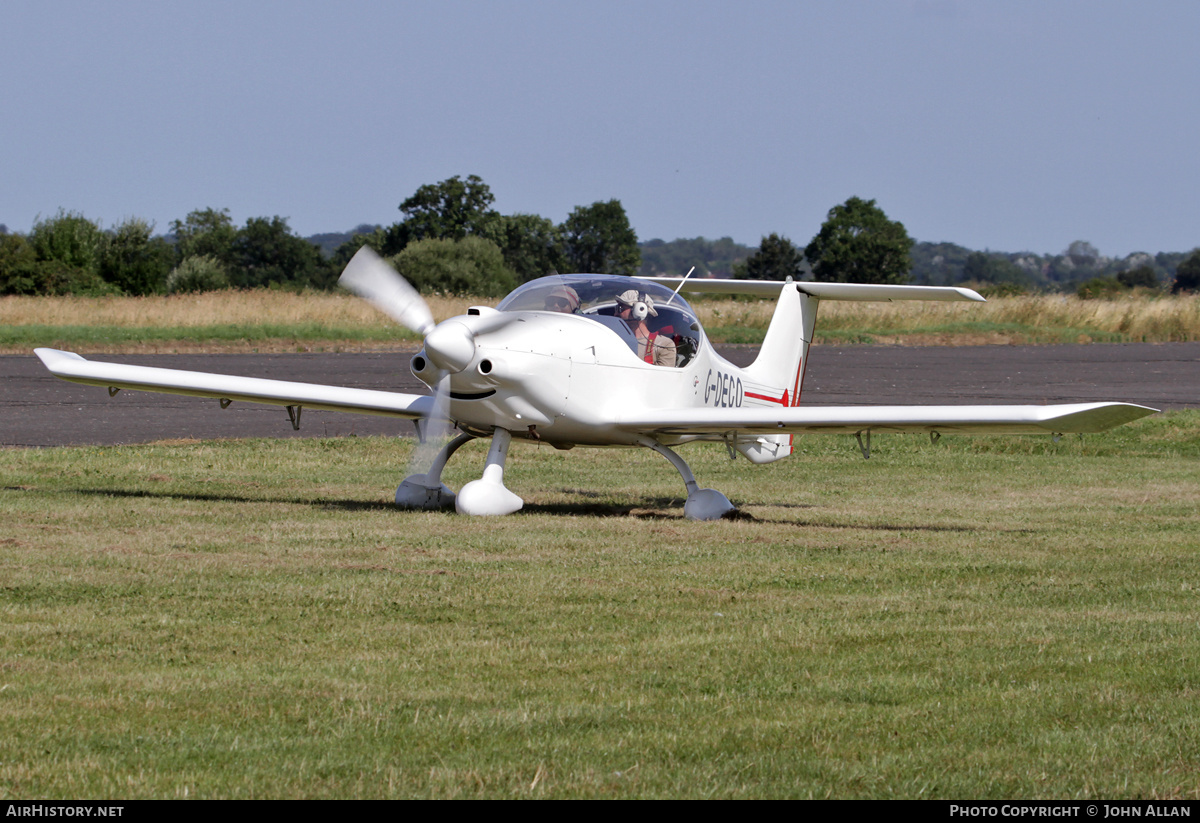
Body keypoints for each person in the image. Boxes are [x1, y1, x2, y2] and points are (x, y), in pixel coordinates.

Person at [614, 289, 676, 366]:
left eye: (620, 309)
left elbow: (664, 377)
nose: (615, 314)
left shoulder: (664, 345)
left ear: (638, 311)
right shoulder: (614, 340)